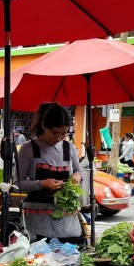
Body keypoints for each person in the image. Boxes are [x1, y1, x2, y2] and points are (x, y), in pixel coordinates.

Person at [16, 103, 84, 243]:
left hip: (67, 222)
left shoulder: (69, 148)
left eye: (64, 134)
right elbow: (18, 184)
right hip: (37, 222)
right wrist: (41, 184)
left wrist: (76, 178)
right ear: (44, 126)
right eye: (55, 133)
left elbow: (79, 171)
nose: (59, 138)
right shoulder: (28, 149)